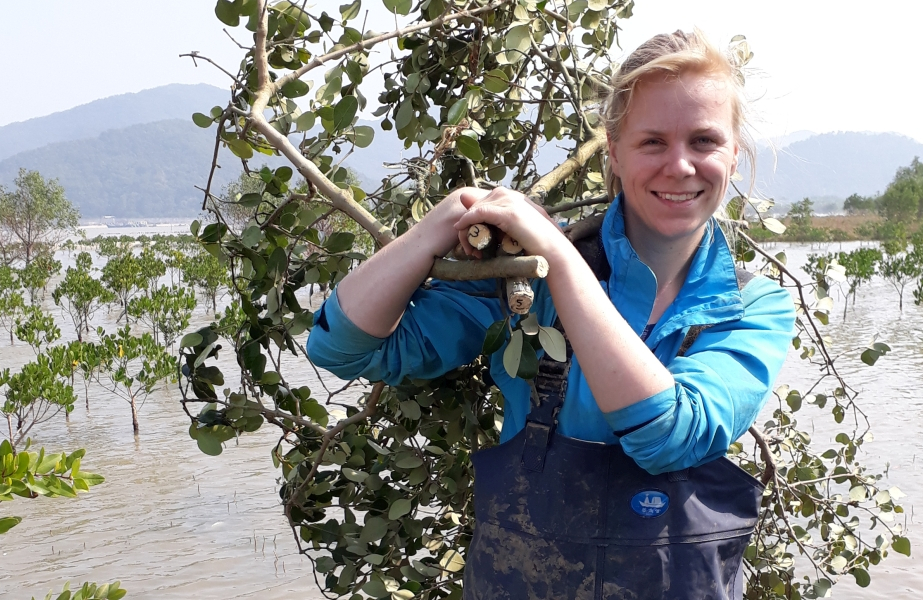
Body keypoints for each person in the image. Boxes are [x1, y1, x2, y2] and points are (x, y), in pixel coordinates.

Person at [307, 29, 796, 600]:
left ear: (734, 154)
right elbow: (341, 348)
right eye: (653, 142)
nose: (681, 166)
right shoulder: (525, 277)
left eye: (705, 140)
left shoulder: (754, 304)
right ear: (613, 150)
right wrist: (439, 224)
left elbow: (670, 436)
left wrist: (562, 257)